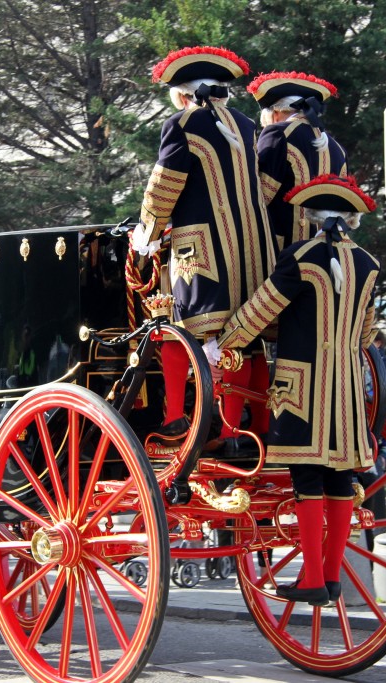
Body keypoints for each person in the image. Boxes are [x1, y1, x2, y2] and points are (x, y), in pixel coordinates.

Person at [217, 174, 379, 605]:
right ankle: (329, 576)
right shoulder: (367, 263)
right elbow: (366, 334)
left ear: (309, 215)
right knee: (339, 477)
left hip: (302, 387)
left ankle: (311, 577)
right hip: (345, 389)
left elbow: (260, 309)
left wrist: (222, 341)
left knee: (306, 477)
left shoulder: (300, 257)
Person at [137, 46, 277, 450]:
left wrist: (146, 235)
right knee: (246, 339)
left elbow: (164, 186)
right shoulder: (248, 126)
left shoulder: (182, 124)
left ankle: (176, 420)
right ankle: (242, 432)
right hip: (253, 252)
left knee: (176, 326)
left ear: (182, 95)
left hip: (203, 254)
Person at [247, 71, 348, 250]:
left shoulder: (278, 133)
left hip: (282, 252)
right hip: (325, 252)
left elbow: (259, 195)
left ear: (275, 113)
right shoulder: (337, 148)